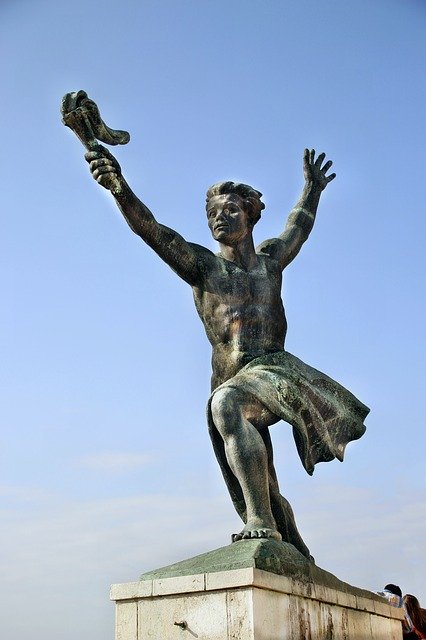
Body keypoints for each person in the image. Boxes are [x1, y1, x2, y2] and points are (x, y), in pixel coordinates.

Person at [85, 146, 369, 558]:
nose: (219, 218)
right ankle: (293, 547)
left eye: (231, 210)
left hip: (273, 371)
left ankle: (260, 522)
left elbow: (298, 227)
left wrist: (312, 189)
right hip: (234, 380)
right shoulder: (203, 267)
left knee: (227, 405)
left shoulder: (270, 263)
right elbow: (152, 230)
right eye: (213, 213)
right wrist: (119, 187)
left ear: (251, 216)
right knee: (264, 485)